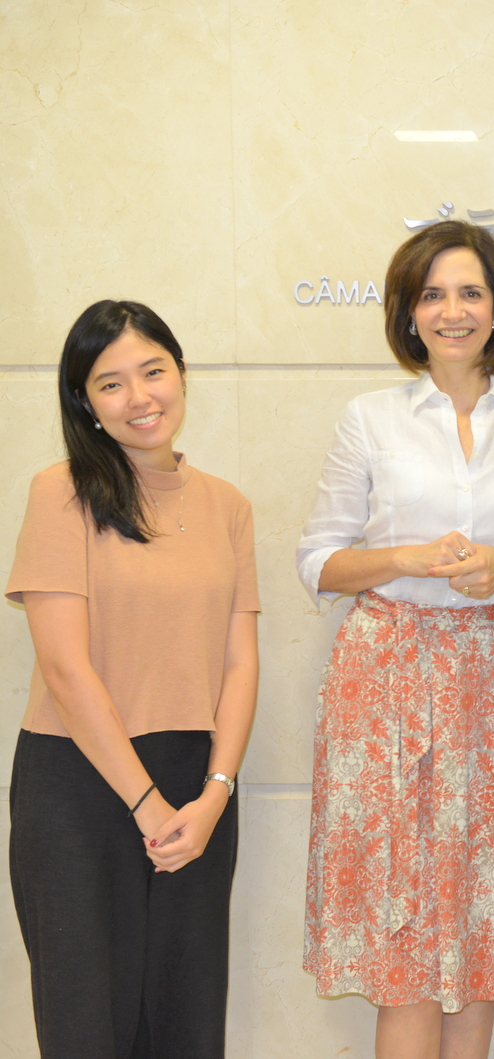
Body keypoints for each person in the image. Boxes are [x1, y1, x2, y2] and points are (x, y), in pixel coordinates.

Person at [297, 221, 494, 1059]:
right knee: (407, 944)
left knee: (477, 933)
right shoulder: (370, 417)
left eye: (470, 293)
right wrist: (405, 558)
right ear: (408, 313)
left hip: (489, 683)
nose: (453, 311)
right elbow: (318, 559)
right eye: (433, 295)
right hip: (384, 680)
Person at [6, 301, 260, 1058]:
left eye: (154, 371)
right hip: (80, 784)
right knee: (87, 1027)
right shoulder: (60, 491)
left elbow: (240, 662)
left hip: (197, 790)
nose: (140, 397)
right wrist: (147, 804)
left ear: (181, 373)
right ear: (84, 400)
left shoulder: (227, 506)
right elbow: (64, 666)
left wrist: (214, 794)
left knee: (187, 1023)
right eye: (110, 383)